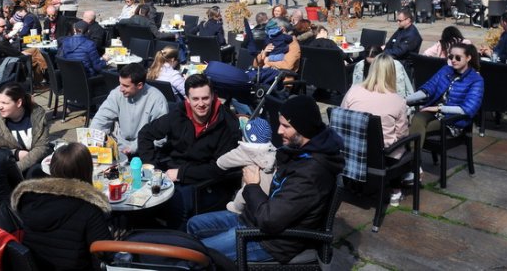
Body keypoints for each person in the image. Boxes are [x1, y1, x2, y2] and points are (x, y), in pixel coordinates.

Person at [186, 95, 344, 262]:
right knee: (194, 224)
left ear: (303, 129)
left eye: (286, 126)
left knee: (193, 254)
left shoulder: (311, 173)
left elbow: (269, 220)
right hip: (255, 219)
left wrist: (252, 186)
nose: (279, 131)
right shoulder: (301, 151)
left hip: (273, 242)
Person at [138, 74, 240, 229]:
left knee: (177, 202)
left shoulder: (226, 123)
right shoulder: (178, 114)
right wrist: (152, 167)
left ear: (213, 97)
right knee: (140, 195)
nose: (201, 104)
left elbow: (220, 168)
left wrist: (181, 174)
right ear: (187, 99)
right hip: (171, 169)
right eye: (195, 99)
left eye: (205, 98)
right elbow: (145, 134)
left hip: (206, 181)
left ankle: (179, 245)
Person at [11, 142, 112, 270]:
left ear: (52, 167)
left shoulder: (30, 199)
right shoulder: (89, 209)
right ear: (87, 170)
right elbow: (107, 253)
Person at [341, 53, 410, 206]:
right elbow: (402, 134)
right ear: (392, 73)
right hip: (380, 156)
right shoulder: (398, 101)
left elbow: (341, 116)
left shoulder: (353, 92)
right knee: (404, 144)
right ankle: (396, 190)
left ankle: (356, 186)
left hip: (352, 151)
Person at [407, 43, 484, 150]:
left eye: (458, 57)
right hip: (433, 111)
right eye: (451, 57)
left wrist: (438, 108)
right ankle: (414, 162)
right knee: (417, 120)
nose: (453, 60)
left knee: (415, 129)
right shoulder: (445, 70)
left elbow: (468, 109)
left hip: (452, 120)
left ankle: (412, 161)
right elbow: (427, 89)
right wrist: (405, 100)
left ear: (468, 58)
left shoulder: (476, 80)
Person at [90, 63, 167, 155]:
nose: (121, 89)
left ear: (139, 85)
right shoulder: (117, 94)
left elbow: (160, 136)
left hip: (145, 149)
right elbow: (101, 118)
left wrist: (133, 148)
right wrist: (93, 137)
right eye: (120, 83)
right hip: (120, 145)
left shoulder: (157, 99)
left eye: (126, 86)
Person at [215, 118, 277, 214]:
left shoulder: (246, 151)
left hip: (253, 193)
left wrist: (219, 163)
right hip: (268, 196)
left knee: (243, 193)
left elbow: (223, 162)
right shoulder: (272, 151)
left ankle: (236, 208)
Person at [0, 82, 51, 176]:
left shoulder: (37, 114)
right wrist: (15, 153)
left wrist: (18, 167)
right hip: (8, 165)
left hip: (35, 162)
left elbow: (42, 147)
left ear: (19, 103)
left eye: (4, 103)